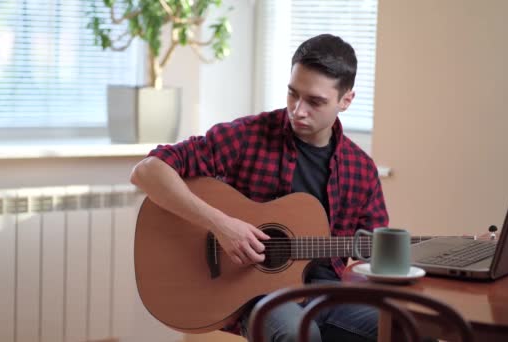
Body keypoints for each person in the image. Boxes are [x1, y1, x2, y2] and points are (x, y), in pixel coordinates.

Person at [130, 34, 389, 342]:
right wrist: (221, 225)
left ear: (346, 100)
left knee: (406, 327)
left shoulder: (360, 169)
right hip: (258, 296)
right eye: (293, 94)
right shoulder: (248, 136)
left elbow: (376, 255)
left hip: (325, 293)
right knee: (297, 333)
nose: (298, 110)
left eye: (315, 101)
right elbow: (147, 171)